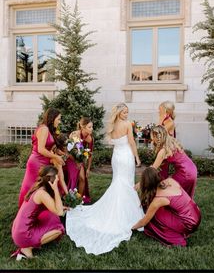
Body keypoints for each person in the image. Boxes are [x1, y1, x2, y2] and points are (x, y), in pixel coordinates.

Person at [66, 102, 144, 255]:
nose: (127, 115)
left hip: (116, 156)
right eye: (124, 112)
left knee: (118, 182)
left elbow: (111, 142)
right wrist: (137, 156)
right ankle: (128, 214)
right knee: (126, 183)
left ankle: (125, 209)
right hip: (126, 155)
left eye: (127, 112)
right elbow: (132, 142)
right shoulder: (127, 124)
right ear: (119, 112)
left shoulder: (112, 126)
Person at [132, 167, 201, 247]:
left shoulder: (158, 200)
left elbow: (144, 222)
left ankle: (176, 239)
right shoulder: (170, 181)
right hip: (196, 214)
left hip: (189, 223)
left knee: (156, 216)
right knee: (162, 209)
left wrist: (131, 227)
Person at [11, 165, 65, 260]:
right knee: (59, 230)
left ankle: (27, 244)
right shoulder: (42, 193)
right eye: (57, 177)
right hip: (23, 234)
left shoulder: (38, 187)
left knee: (51, 216)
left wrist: (63, 207)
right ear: (52, 180)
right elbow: (59, 212)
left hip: (18, 229)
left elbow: (53, 206)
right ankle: (27, 248)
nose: (58, 179)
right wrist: (56, 188)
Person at [18, 108, 65, 207]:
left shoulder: (47, 129)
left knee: (41, 186)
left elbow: (48, 145)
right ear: (53, 118)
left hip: (43, 161)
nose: (59, 121)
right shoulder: (44, 129)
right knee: (31, 186)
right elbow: (41, 149)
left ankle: (37, 209)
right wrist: (56, 157)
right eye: (59, 119)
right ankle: (25, 208)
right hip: (37, 162)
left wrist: (57, 151)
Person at [151, 125, 197, 198]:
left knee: (166, 192)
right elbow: (164, 168)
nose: (152, 140)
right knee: (183, 195)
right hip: (193, 169)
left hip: (184, 173)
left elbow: (152, 169)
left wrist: (140, 183)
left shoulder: (163, 151)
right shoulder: (172, 143)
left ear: (156, 137)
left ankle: (167, 208)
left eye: (153, 137)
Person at [63, 117, 94, 203]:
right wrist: (76, 161)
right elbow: (68, 151)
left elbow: (90, 155)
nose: (92, 129)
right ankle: (69, 197)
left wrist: (88, 168)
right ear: (83, 127)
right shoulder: (74, 135)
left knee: (82, 178)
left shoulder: (90, 138)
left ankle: (78, 199)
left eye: (92, 127)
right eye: (89, 127)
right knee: (73, 177)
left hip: (79, 160)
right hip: (70, 159)